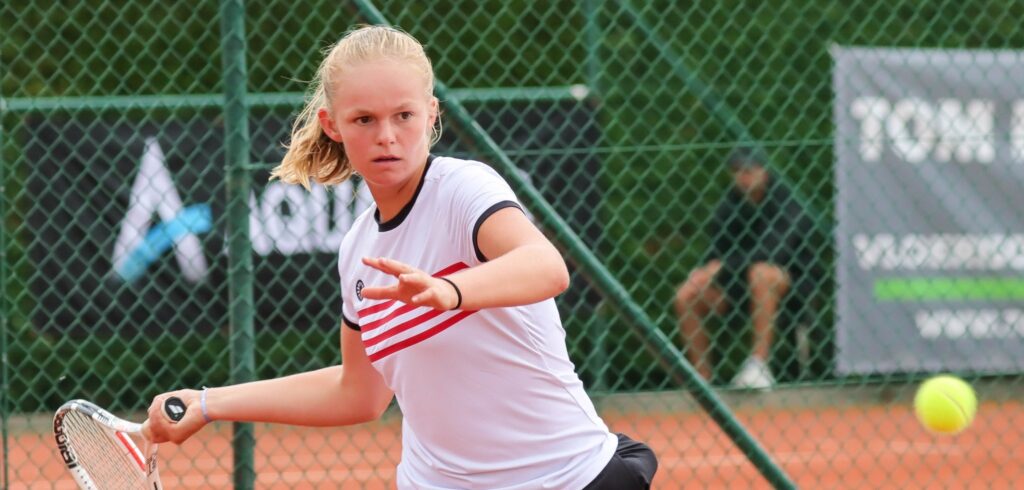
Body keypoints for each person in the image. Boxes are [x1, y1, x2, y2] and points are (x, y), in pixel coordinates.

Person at [142, 25, 657, 489]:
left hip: (569, 477)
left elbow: (546, 267)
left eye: (403, 115)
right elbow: (358, 394)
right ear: (332, 124)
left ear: (431, 113)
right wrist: (209, 403)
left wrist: (451, 291)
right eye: (364, 119)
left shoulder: (462, 189)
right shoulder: (358, 250)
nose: (386, 136)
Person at [674, 148, 815, 390]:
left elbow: (772, 252)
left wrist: (721, 268)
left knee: (761, 273)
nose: (743, 177)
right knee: (686, 293)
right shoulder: (729, 204)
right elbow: (713, 254)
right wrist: (704, 274)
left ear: (764, 171)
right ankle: (701, 381)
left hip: (791, 286)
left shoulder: (787, 201)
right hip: (737, 287)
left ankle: (758, 366)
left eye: (748, 171)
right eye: (737, 171)